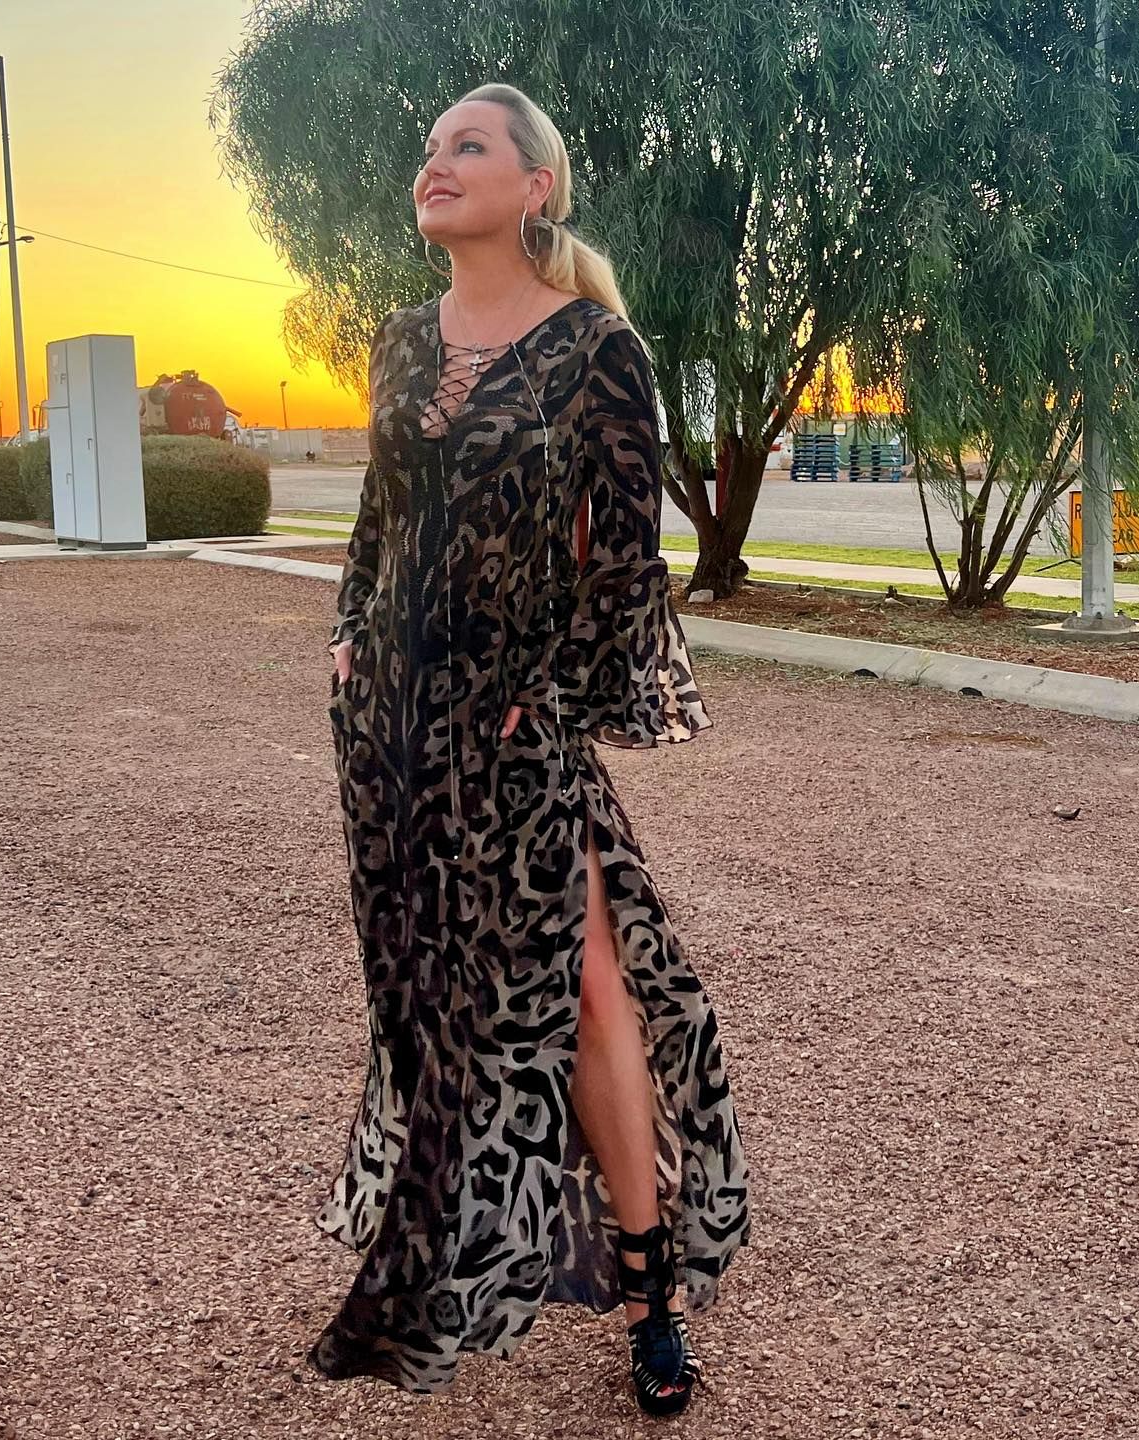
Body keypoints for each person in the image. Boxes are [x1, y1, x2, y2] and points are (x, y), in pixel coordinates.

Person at [314, 82, 750, 1415]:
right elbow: (380, 518)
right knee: (431, 989)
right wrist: (349, 631)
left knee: (591, 985)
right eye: (430, 149)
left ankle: (652, 1286)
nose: (435, 165)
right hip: (397, 722)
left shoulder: (596, 350)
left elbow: (626, 558)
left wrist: (554, 691)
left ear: (534, 186)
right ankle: (449, 1236)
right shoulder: (402, 341)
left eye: (469, 147)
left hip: (518, 718)